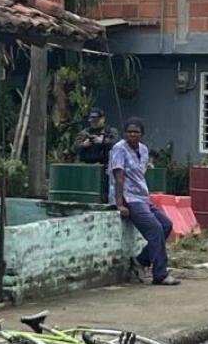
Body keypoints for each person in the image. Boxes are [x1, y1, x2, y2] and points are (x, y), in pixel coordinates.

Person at [110, 117, 179, 286]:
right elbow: (119, 177)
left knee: (166, 225)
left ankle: (141, 260)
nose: (132, 135)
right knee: (155, 229)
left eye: (136, 132)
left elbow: (140, 175)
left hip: (142, 196)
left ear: (142, 134)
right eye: (129, 132)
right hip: (129, 198)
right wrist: (120, 204)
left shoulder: (144, 150)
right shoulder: (119, 149)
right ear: (124, 133)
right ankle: (160, 274)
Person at [75, 107, 118, 202]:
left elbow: (116, 144)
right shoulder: (84, 133)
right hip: (88, 167)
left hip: (105, 167)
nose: (94, 123)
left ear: (103, 119)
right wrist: (84, 144)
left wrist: (102, 141)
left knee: (105, 192)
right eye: (92, 121)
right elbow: (75, 147)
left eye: (96, 121)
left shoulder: (110, 131)